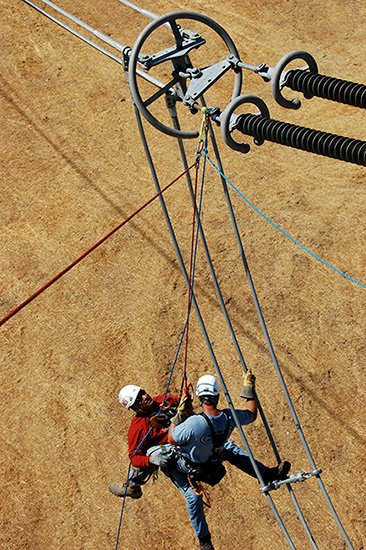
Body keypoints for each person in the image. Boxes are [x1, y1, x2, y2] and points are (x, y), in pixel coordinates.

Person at [110, 377, 290, 550]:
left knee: (228, 448)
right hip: (175, 459)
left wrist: (184, 405)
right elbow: (135, 457)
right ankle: (204, 539)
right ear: (134, 407)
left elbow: (189, 417)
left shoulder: (165, 401)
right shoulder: (138, 428)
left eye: (143, 392)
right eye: (140, 397)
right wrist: (150, 460)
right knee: (193, 497)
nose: (145, 396)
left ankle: (266, 475)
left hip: (191, 443)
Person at [167, 373, 291, 550]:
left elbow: (171, 438)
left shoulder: (194, 423)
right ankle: (265, 474)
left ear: (200, 398)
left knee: (192, 495)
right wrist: (249, 388)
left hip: (190, 465)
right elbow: (251, 414)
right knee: (229, 448)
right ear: (218, 396)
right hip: (214, 459)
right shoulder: (228, 417)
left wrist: (179, 414)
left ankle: (204, 540)